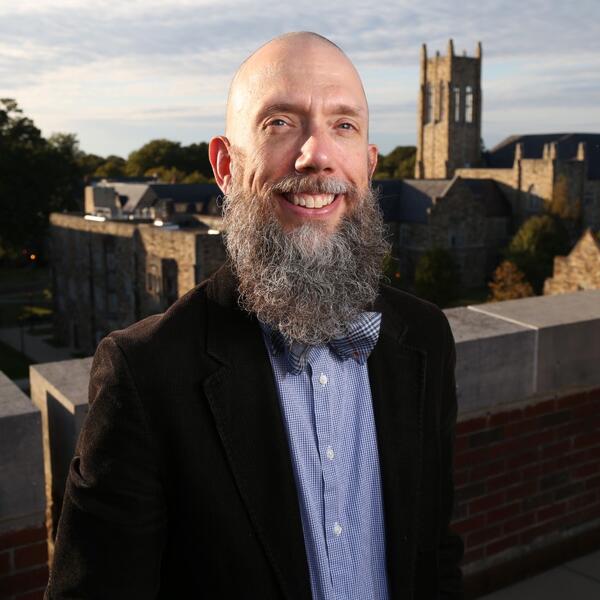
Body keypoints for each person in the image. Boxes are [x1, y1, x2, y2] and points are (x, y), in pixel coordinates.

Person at [46, 32, 463, 599]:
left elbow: (433, 554)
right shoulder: (144, 373)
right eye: (279, 123)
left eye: (343, 125)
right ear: (224, 165)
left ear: (368, 165)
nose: (317, 154)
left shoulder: (423, 337)